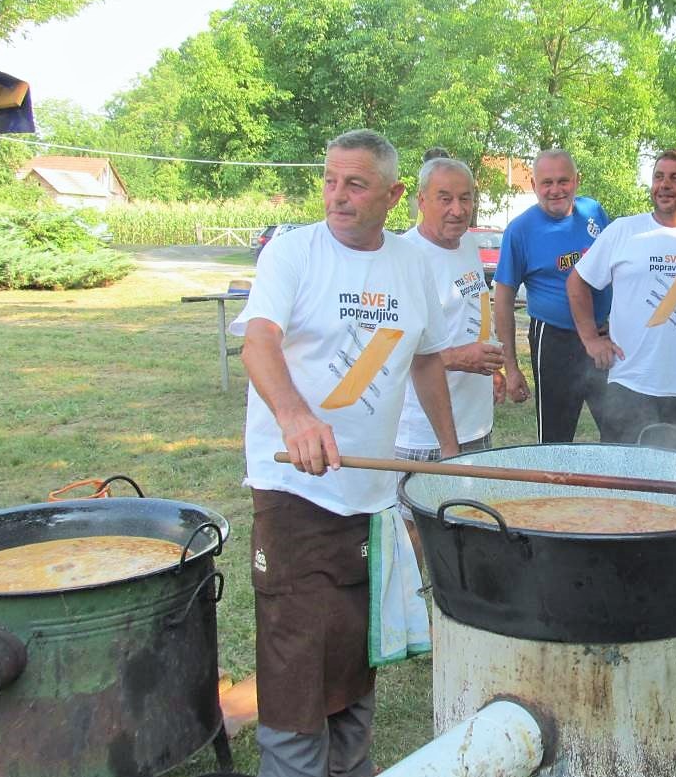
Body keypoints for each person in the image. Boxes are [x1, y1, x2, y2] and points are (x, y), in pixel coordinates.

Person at [231, 129, 459, 777]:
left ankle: (351, 767)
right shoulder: (293, 252)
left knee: (357, 646)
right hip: (294, 488)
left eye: (355, 184)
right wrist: (294, 415)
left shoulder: (412, 263)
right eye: (330, 180)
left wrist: (449, 453)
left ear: (393, 194)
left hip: (371, 496)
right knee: (296, 653)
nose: (337, 195)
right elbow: (258, 340)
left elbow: (427, 359)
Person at [567, 149, 676, 454]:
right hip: (629, 382)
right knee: (622, 476)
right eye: (659, 177)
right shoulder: (623, 231)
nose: (664, 185)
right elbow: (577, 281)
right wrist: (590, 339)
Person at [493, 149, 613, 442]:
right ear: (534, 185)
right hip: (555, 339)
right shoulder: (520, 230)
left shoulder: (594, 212)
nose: (556, 190)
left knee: (619, 427)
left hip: (604, 335)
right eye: (547, 183)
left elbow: (618, 268)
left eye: (563, 181)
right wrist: (511, 367)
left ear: (577, 180)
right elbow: (504, 301)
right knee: (556, 438)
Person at [396, 156, 505, 462]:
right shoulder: (405, 258)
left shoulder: (467, 243)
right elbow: (394, 352)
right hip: (424, 436)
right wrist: (459, 357)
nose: (457, 210)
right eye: (445, 199)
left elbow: (471, 310)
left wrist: (491, 369)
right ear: (422, 201)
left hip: (475, 424)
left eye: (465, 198)